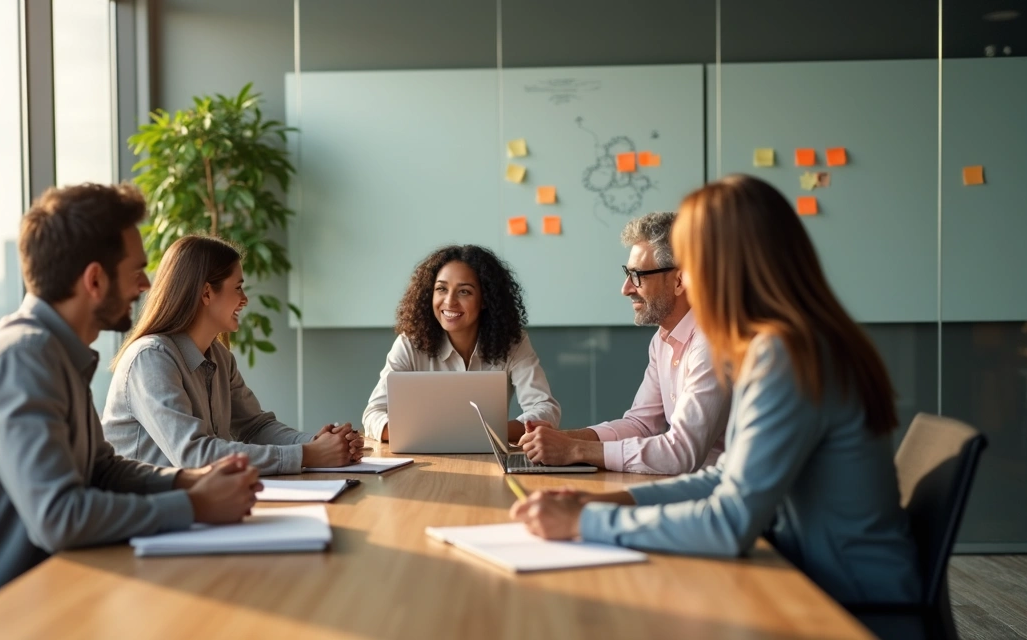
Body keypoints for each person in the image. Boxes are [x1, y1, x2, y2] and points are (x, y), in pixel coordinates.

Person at [510, 175, 920, 605]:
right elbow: (727, 477)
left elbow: (730, 522)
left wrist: (587, 521)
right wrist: (609, 502)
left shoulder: (787, 354)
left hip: (848, 602)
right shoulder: (792, 341)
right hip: (822, 575)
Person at [0, 184, 263, 613]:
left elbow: (101, 469)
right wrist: (194, 504)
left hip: (42, 592)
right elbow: (59, 517)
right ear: (95, 280)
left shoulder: (55, 354)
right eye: (136, 270)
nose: (146, 284)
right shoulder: (22, 361)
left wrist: (188, 480)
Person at [103, 235, 362, 475]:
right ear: (206, 293)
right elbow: (193, 454)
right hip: (149, 515)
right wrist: (307, 455)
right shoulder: (151, 358)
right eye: (238, 287)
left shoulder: (220, 357)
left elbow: (255, 427)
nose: (245, 299)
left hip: (197, 505)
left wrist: (320, 443)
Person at [517, 212, 730, 474]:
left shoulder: (712, 343)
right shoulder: (662, 340)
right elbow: (640, 424)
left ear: (679, 281)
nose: (626, 288)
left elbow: (681, 452)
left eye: (638, 275)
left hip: (721, 497)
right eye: (628, 274)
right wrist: (567, 439)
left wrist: (574, 450)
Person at [362, 245, 560, 443]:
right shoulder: (409, 343)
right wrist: (454, 434)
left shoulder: (512, 343)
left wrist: (484, 433)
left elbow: (545, 409)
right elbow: (373, 414)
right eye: (441, 289)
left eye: (464, 292)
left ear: (485, 300)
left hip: (488, 462)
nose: (449, 302)